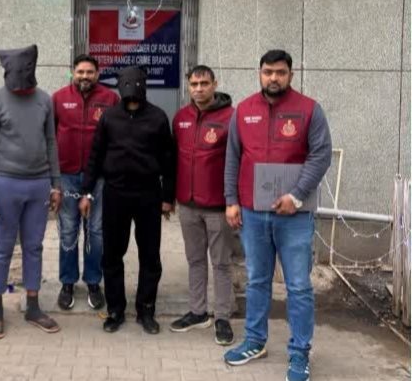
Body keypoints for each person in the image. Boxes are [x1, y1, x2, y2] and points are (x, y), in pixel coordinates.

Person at [223, 50, 332, 381]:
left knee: (298, 286)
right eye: (268, 71)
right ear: (259, 73)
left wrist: (296, 196)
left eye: (280, 72)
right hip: (253, 214)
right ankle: (255, 341)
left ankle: (299, 352)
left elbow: (321, 155)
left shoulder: (309, 110)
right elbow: (233, 158)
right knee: (257, 280)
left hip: (294, 216)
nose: (274, 77)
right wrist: (231, 200)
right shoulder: (243, 111)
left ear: (291, 75)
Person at [79, 66, 174, 335]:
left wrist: (167, 197)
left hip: (148, 194)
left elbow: (168, 159)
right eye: (127, 84)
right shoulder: (109, 117)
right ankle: (115, 310)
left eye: (137, 83)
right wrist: (86, 192)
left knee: (150, 255)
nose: (132, 89)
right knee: (112, 254)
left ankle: (146, 309)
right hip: (115, 194)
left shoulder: (158, 117)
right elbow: (95, 156)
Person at [0, 44, 62, 339]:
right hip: (5, 185)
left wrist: (56, 184)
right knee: (2, 248)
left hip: (39, 185)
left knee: (34, 247)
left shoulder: (44, 100)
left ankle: (33, 306)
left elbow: (51, 143)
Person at [169, 65, 235, 346]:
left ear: (214, 84)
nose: (198, 89)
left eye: (204, 83)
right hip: (188, 204)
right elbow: (173, 159)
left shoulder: (231, 118)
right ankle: (198, 312)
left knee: (221, 263)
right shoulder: (181, 118)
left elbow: (237, 162)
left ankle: (222, 317)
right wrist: (170, 197)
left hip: (218, 206)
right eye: (194, 84)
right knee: (195, 260)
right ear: (188, 85)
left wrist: (233, 201)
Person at [52, 54, 119, 311]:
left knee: (96, 231)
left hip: (99, 177)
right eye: (80, 72)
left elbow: (115, 138)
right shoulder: (58, 98)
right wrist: (52, 179)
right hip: (67, 175)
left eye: (90, 72)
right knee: (69, 230)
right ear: (73, 72)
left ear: (98, 74)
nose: (84, 76)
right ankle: (67, 282)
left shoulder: (110, 99)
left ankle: (93, 281)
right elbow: (50, 137)